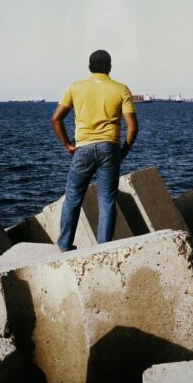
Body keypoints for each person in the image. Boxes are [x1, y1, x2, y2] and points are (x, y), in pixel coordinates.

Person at [51, 49, 139, 252]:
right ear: (109, 67)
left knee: (73, 196)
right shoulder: (121, 89)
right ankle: (102, 248)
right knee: (107, 199)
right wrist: (123, 151)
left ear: (89, 67)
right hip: (110, 147)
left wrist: (67, 144)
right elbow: (133, 127)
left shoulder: (75, 87)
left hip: (83, 148)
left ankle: (64, 244)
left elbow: (56, 118)